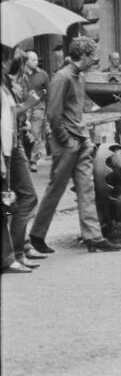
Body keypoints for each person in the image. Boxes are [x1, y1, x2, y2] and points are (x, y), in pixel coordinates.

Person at [29, 37, 121, 254]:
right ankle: (36, 236)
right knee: (56, 189)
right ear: (85, 55)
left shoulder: (76, 77)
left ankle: (93, 237)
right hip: (68, 142)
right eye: (93, 55)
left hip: (77, 140)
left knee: (86, 188)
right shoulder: (63, 77)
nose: (95, 59)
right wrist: (67, 140)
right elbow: (53, 113)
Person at [1, 46, 43, 273]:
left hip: (14, 144)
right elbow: (7, 115)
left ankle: (19, 250)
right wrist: (26, 106)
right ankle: (15, 253)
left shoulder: (7, 83)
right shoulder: (6, 84)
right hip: (8, 148)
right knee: (22, 198)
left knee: (16, 200)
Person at [23, 51, 49, 172]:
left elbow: (49, 92)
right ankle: (25, 158)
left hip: (39, 106)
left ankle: (33, 160)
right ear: (27, 61)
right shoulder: (21, 74)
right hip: (25, 106)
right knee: (24, 132)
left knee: (35, 132)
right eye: (33, 60)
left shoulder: (43, 74)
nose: (36, 62)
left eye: (37, 60)